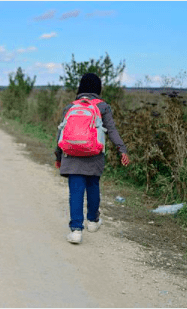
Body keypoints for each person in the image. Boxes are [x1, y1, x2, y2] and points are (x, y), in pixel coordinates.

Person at [55, 73, 130, 244]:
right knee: (93, 186)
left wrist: (58, 155)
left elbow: (60, 132)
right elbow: (112, 130)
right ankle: (93, 222)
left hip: (71, 155)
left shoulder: (70, 107)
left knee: (76, 191)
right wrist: (122, 149)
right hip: (94, 155)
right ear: (98, 88)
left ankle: (75, 230)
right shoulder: (103, 107)